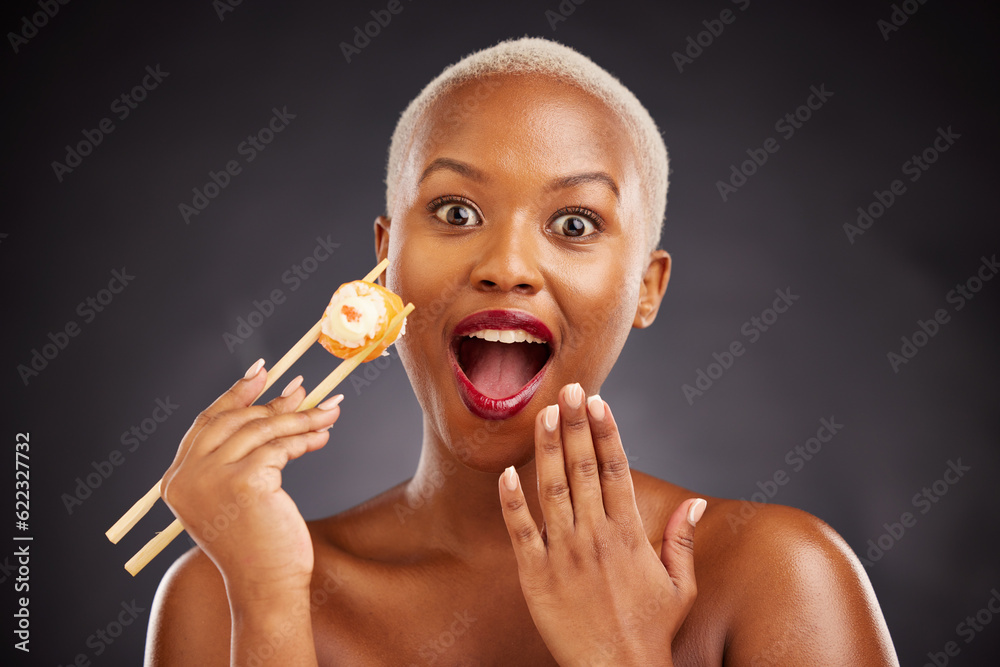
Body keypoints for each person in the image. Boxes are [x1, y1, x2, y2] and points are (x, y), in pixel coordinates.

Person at [145, 37, 899, 665]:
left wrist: (622, 654)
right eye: (455, 210)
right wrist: (271, 605)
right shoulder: (224, 593)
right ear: (386, 259)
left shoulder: (778, 576)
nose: (505, 264)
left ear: (646, 286)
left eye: (574, 223)